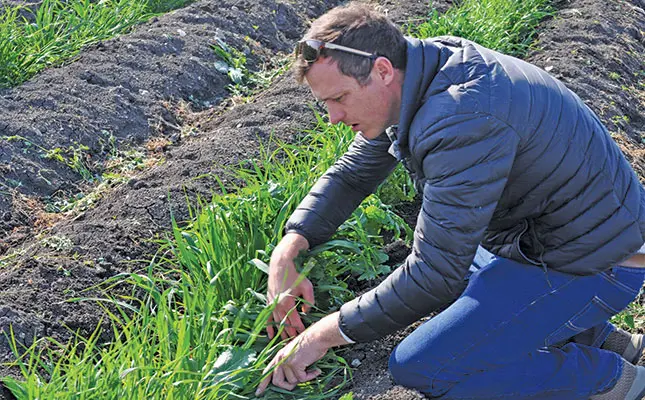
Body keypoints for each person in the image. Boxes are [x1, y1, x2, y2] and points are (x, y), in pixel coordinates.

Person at [255, 3, 645, 399]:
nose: (334, 117)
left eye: (340, 98)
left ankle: (611, 380)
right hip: (562, 239)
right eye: (326, 103)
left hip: (600, 264)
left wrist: (323, 335)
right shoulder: (426, 70)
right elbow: (353, 174)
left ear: (382, 71)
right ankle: (599, 338)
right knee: (457, 260)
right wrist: (290, 246)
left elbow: (435, 273)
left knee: (425, 366)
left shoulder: (461, 115)